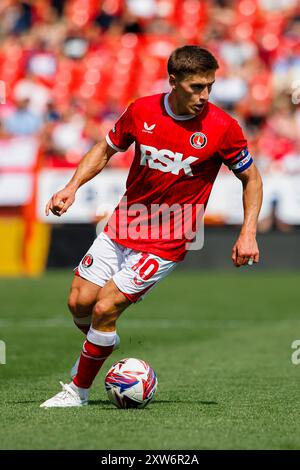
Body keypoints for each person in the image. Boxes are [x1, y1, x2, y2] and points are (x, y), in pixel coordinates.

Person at [40, 45, 263, 408]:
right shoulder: (141, 110)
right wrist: (71, 187)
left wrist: (248, 232)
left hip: (167, 239)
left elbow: (251, 178)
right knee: (79, 302)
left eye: (210, 86)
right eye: (196, 87)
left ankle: (77, 390)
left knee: (104, 308)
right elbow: (105, 149)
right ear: (173, 81)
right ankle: (98, 348)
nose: (204, 96)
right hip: (123, 225)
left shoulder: (223, 128)